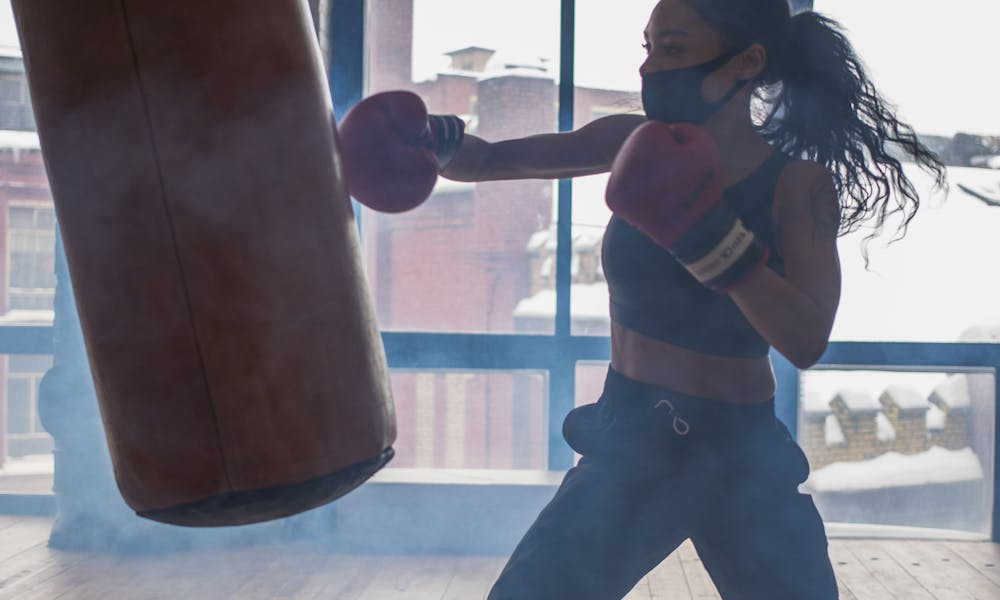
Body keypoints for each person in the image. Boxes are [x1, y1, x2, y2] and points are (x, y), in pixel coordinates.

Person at [338, 0, 946, 597]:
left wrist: (709, 238)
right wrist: (429, 141)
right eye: (649, 47)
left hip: (739, 454)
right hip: (631, 439)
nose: (650, 68)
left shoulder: (798, 184)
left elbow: (806, 337)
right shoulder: (630, 140)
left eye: (675, 49)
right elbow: (492, 160)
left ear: (746, 61)